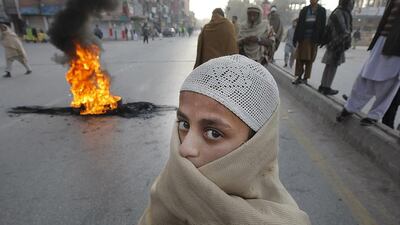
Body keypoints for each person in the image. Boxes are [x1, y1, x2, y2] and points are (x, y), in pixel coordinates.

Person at [138, 54, 311, 225]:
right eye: (184, 124)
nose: (184, 149)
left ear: (257, 144)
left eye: (213, 133)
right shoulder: (170, 185)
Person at [337, 0, 400, 126]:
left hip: (397, 47)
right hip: (383, 40)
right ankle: (351, 107)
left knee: (389, 83)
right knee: (365, 76)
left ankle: (374, 115)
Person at [318, 0, 354, 96]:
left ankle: (323, 85)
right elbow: (343, 29)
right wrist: (347, 37)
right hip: (337, 44)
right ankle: (326, 87)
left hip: (333, 43)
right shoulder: (340, 13)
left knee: (330, 65)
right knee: (332, 66)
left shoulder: (338, 12)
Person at [292, 0, 326, 85]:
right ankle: (298, 76)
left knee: (309, 60)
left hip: (313, 40)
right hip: (302, 38)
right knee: (299, 59)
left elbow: (322, 26)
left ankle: (305, 78)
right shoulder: (304, 10)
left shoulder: (322, 11)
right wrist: (295, 38)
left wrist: (321, 40)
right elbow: (299, 24)